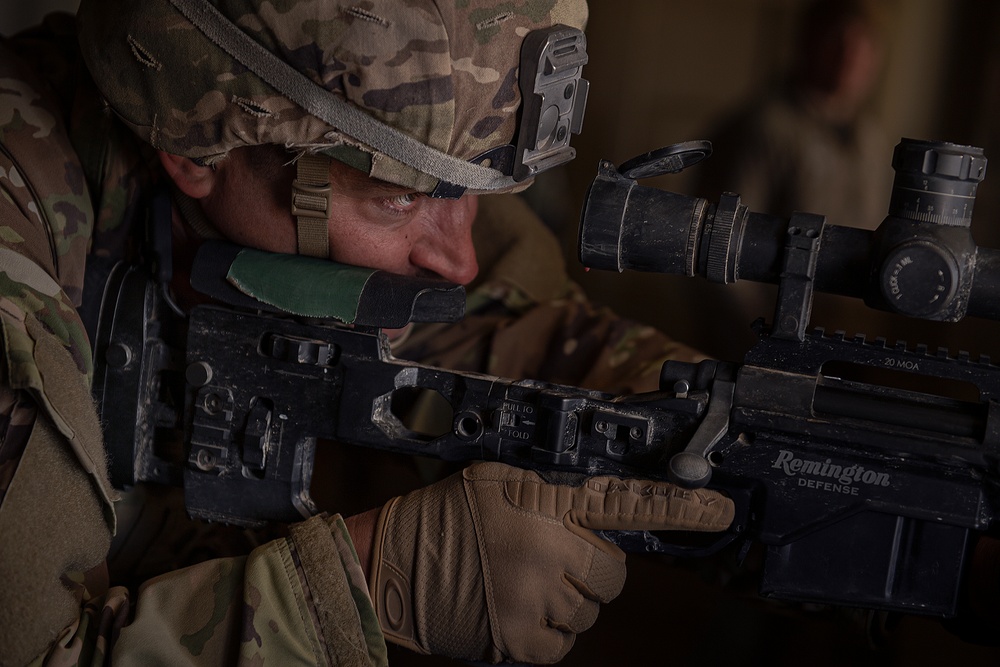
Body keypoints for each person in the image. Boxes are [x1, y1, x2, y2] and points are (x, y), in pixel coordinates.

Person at [0, 1, 735, 665]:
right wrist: (347, 586)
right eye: (404, 199)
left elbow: (513, 337)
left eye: (470, 193)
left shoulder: (374, 161)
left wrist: (711, 421)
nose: (460, 255)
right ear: (200, 150)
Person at [686, 0, 895, 360]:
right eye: (837, 41)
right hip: (766, 345)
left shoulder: (873, 139)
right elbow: (716, 253)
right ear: (806, 43)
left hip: (846, 349)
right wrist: (767, 345)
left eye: (864, 45)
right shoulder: (761, 128)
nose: (850, 57)